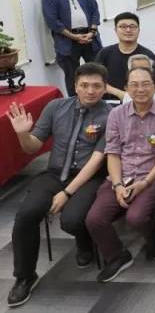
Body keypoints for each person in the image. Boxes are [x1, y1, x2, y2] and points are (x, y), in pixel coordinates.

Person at [6, 63, 112, 307]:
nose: (90, 91)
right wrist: (22, 134)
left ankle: (85, 241)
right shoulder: (55, 107)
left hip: (89, 176)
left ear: (105, 88)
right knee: (26, 214)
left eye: (97, 86)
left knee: (72, 219)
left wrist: (66, 193)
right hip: (54, 174)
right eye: (84, 85)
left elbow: (96, 163)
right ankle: (25, 276)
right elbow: (32, 147)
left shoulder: (110, 116)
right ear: (75, 86)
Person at [85, 66, 155, 282]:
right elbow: (113, 153)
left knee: (136, 217)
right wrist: (117, 185)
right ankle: (117, 256)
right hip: (120, 175)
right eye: (134, 84)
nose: (140, 89)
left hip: (153, 177)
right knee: (94, 219)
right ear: (126, 88)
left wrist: (145, 183)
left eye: (146, 84)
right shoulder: (116, 115)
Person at [42, 0, 103, 96]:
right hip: (67, 41)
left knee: (98, 72)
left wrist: (92, 31)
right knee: (72, 78)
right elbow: (52, 21)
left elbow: (95, 10)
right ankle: (75, 106)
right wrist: (74, 36)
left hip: (90, 37)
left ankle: (102, 102)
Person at [94, 12, 155, 101]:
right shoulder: (105, 53)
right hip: (108, 101)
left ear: (139, 30)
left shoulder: (147, 56)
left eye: (132, 26)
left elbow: (154, 82)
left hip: (139, 101)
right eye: (123, 26)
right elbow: (95, 78)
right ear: (115, 30)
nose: (128, 30)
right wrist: (119, 93)